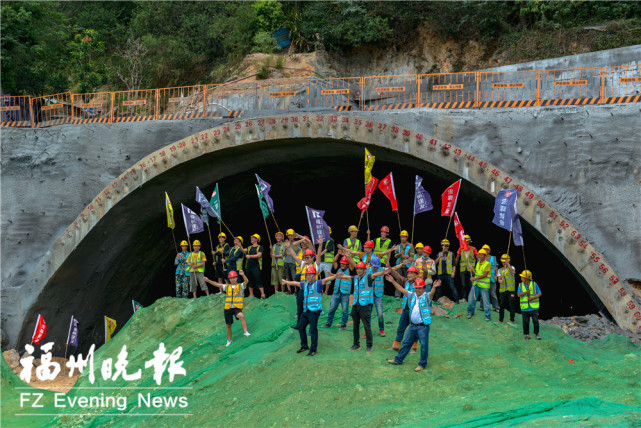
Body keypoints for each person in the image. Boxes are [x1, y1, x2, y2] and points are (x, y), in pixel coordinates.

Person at [387, 277, 441, 372]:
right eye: (416, 288)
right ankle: (398, 359)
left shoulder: (427, 296)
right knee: (406, 343)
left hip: (422, 327)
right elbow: (401, 289)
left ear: (424, 288)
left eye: (419, 288)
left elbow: (432, 293)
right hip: (412, 326)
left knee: (424, 346)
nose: (418, 290)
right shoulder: (412, 295)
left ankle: (422, 364)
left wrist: (434, 287)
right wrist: (392, 281)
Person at [281, 267, 336, 356]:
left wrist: (336, 276)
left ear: (314, 276)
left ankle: (313, 349)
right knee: (300, 327)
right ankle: (304, 346)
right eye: (307, 275)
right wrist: (286, 282)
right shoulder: (305, 285)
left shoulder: (318, 283)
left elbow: (327, 279)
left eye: (310, 275)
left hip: (314, 311)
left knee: (313, 330)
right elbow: (295, 283)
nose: (308, 276)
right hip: (306, 311)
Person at [334, 262, 387, 353]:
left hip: (365, 305)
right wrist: (337, 275)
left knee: (367, 326)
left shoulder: (369, 277)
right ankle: (356, 344)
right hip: (356, 305)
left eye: (360, 269)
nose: (358, 270)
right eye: (357, 269)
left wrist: (384, 272)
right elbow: (346, 277)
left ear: (364, 270)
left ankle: (369, 346)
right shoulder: (355, 278)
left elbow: (376, 274)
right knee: (355, 326)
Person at [204, 270, 251, 347]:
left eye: (234, 277)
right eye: (231, 278)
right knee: (228, 325)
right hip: (228, 308)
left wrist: (243, 275)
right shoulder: (227, 286)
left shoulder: (240, 286)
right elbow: (217, 284)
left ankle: (245, 332)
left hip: (236, 307)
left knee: (241, 316)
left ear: (236, 278)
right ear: (229, 279)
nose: (232, 279)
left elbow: (246, 281)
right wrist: (208, 280)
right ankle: (229, 340)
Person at [388, 265, 421, 352]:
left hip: (413, 311)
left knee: (413, 329)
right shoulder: (406, 282)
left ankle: (413, 348)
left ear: (416, 275)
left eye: (411, 273)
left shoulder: (418, 283)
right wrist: (389, 267)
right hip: (405, 309)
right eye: (408, 273)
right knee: (400, 328)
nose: (409, 275)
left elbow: (424, 276)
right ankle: (396, 346)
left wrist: (424, 269)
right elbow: (397, 276)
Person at [287, 244, 320, 329]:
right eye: (305, 257)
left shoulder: (316, 265)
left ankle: (311, 328)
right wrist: (289, 247)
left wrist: (320, 245)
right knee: (300, 308)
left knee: (311, 310)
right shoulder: (303, 264)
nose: (306, 259)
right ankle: (299, 325)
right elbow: (295, 256)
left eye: (308, 257)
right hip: (302, 290)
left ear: (312, 258)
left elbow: (319, 255)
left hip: (312, 292)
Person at [321, 252, 354, 331]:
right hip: (336, 292)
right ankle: (328, 323)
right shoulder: (338, 269)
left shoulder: (350, 270)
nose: (342, 265)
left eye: (344, 264)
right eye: (341, 263)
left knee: (345, 310)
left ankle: (343, 324)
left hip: (345, 294)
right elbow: (334, 262)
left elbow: (352, 264)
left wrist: (347, 255)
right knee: (332, 308)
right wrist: (338, 254)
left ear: (347, 264)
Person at [517, 270, 542, 341]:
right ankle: (527, 335)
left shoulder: (534, 284)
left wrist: (533, 298)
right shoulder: (520, 285)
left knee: (535, 320)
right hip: (525, 307)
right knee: (525, 322)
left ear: (526, 278)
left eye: (522, 277)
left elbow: (539, 293)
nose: (521, 278)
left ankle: (537, 333)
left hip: (534, 307)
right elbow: (518, 294)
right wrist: (525, 292)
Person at [467, 249, 491, 320]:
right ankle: (470, 312)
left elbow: (485, 275)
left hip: (484, 286)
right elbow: (476, 273)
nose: (480, 255)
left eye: (482, 254)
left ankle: (487, 316)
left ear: (485, 255)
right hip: (476, 284)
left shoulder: (488, 264)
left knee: (486, 301)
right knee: (471, 298)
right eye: (479, 254)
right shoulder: (477, 263)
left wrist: (475, 278)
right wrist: (472, 269)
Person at [435, 239, 459, 303]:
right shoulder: (439, 253)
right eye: (444, 245)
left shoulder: (451, 254)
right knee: (439, 288)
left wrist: (453, 272)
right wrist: (439, 257)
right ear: (442, 246)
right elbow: (435, 263)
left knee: (452, 287)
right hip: (441, 274)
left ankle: (457, 300)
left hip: (449, 274)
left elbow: (454, 264)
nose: (445, 247)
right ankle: (436, 300)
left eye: (447, 245)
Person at [369, 256, 387, 337]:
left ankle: (381, 329)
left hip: (378, 295)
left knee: (380, 314)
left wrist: (401, 265)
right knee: (367, 314)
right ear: (371, 265)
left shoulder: (382, 270)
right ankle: (367, 331)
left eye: (377, 267)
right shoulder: (367, 271)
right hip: (369, 295)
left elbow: (393, 268)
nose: (376, 268)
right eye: (374, 266)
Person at [455, 235, 477, 302]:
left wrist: (477, 268)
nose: (467, 242)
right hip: (463, 269)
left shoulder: (473, 249)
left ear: (469, 241)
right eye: (465, 241)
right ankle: (464, 298)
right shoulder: (460, 249)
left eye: (468, 241)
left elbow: (478, 258)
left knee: (471, 284)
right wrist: (454, 267)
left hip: (471, 269)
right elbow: (457, 258)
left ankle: (471, 298)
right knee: (463, 284)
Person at [393, 230, 414, 298]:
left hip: (407, 265)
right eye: (402, 237)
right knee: (398, 280)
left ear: (407, 237)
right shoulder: (398, 246)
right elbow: (395, 256)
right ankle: (397, 296)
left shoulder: (410, 245)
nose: (403, 238)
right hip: (399, 265)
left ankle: (407, 295)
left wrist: (408, 256)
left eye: (404, 237)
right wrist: (400, 254)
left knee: (408, 280)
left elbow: (413, 256)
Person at [497, 254, 516, 324]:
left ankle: (512, 320)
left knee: (511, 304)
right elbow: (499, 279)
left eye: (505, 261)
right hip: (503, 290)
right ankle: (500, 320)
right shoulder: (500, 270)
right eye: (503, 261)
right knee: (501, 305)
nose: (503, 263)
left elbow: (513, 272)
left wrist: (508, 264)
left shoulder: (512, 268)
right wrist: (500, 281)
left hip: (511, 290)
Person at [244, 234, 265, 299]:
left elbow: (259, 255)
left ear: (257, 239)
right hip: (248, 266)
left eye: (253, 238)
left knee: (258, 280)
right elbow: (244, 250)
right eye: (251, 238)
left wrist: (250, 256)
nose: (251, 239)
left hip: (256, 267)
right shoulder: (249, 247)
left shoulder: (260, 247)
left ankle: (262, 294)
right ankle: (251, 294)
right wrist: (240, 246)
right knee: (249, 281)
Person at [481, 244, 499, 311]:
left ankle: (496, 307)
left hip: (491, 278)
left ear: (489, 250)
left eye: (486, 249)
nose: (485, 250)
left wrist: (496, 275)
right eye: (484, 249)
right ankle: (482, 306)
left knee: (493, 293)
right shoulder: (481, 258)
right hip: (484, 278)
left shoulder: (493, 258)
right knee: (483, 293)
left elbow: (496, 267)